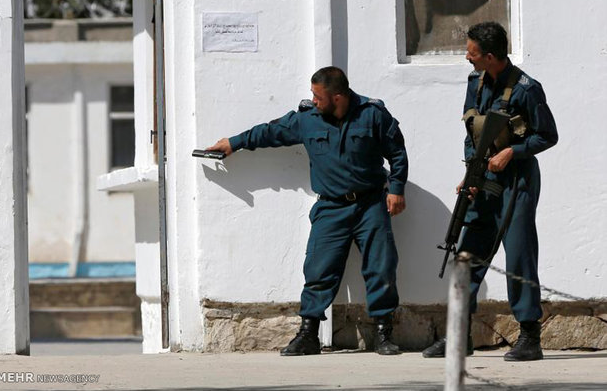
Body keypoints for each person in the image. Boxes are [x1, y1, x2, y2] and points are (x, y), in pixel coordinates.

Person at [207, 66, 409, 356]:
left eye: (318, 96)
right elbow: (270, 132)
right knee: (318, 270)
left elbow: (398, 153)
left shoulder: (373, 115)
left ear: (338, 97)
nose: (313, 100)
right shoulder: (308, 119)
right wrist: (233, 143)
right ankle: (308, 334)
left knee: (381, 268)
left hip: (370, 205)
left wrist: (397, 189)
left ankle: (383, 334)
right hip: (331, 207)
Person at [422, 22, 558, 361]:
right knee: (467, 253)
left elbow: (548, 135)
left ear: (491, 56)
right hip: (483, 179)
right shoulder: (475, 82)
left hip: (517, 181)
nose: (467, 58)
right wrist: (471, 172)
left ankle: (530, 336)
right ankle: (460, 335)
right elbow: (473, 133)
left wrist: (513, 151)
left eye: (472, 53)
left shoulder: (527, 89)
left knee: (519, 254)